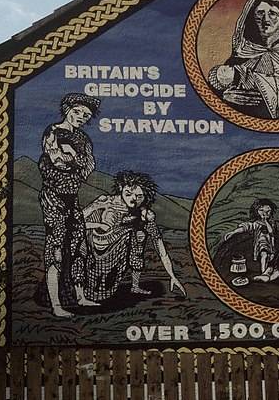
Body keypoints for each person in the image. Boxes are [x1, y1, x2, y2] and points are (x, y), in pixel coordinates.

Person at [38, 93, 101, 317]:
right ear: (67, 110)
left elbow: (89, 166)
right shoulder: (53, 131)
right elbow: (57, 160)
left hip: (72, 196)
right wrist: (74, 159)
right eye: (77, 112)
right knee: (56, 247)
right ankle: (56, 304)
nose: (81, 117)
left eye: (86, 115)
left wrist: (72, 156)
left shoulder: (83, 138)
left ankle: (80, 296)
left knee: (78, 246)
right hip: (54, 196)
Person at [81, 171, 186, 301]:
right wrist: (98, 225)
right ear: (121, 189)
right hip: (94, 244)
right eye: (128, 194)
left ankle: (135, 285)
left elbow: (160, 247)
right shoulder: (106, 202)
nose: (133, 199)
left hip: (117, 250)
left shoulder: (143, 215)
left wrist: (172, 276)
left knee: (139, 235)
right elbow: (77, 221)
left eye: (139, 196)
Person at [222, 198, 277, 279]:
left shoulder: (271, 223)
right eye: (261, 210)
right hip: (261, 244)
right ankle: (263, 273)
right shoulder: (256, 223)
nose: (265, 213)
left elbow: (271, 232)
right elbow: (246, 227)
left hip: (270, 245)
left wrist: (265, 221)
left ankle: (266, 273)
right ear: (257, 211)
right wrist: (234, 232)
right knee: (264, 255)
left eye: (268, 211)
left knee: (269, 259)